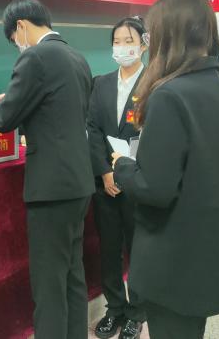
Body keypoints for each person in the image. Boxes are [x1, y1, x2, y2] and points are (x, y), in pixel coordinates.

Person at [111, 0, 219, 339]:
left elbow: (154, 188)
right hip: (209, 251)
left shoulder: (170, 96)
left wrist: (122, 166)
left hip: (172, 259)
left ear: (167, 35)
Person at [0, 0, 95, 339]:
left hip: (51, 189)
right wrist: (13, 101)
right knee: (72, 276)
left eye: (14, 40)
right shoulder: (76, 57)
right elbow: (57, 112)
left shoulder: (35, 57)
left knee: (48, 285)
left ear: (21, 26)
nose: (17, 47)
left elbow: (3, 119)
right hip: (79, 182)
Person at [87, 17, 148, 339]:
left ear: (144, 45)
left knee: (138, 250)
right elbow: (93, 128)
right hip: (106, 184)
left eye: (129, 41)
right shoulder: (101, 83)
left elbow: (153, 134)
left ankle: (137, 312)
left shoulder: (155, 84)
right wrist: (105, 171)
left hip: (139, 182)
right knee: (109, 249)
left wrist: (128, 172)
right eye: (117, 41)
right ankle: (115, 308)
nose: (122, 47)